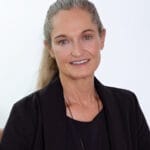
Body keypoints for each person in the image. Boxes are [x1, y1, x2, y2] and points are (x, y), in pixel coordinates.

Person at [0, 0, 150, 149]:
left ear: (102, 38)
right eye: (63, 41)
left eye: (87, 37)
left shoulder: (127, 105)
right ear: (50, 49)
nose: (77, 51)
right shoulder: (26, 115)